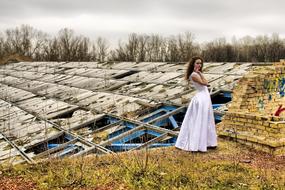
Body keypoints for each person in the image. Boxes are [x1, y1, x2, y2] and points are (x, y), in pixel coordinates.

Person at [175, 56, 217, 152]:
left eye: (200, 63)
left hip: (205, 97)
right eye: (197, 63)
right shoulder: (194, 75)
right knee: (199, 120)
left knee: (206, 120)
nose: (199, 65)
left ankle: (207, 142)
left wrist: (200, 73)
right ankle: (195, 144)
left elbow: (205, 82)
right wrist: (200, 74)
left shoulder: (197, 74)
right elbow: (205, 83)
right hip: (201, 99)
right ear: (193, 64)